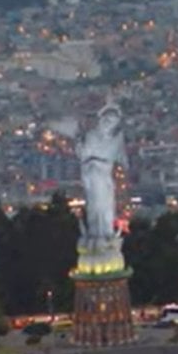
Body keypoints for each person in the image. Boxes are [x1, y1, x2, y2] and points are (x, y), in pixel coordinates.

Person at [77, 103, 125, 248]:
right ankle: (95, 233)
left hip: (105, 176)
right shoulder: (91, 136)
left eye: (112, 122)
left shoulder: (115, 140)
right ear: (101, 119)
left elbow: (121, 159)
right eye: (106, 119)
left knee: (107, 205)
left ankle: (106, 233)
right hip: (93, 174)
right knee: (95, 204)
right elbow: (83, 154)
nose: (108, 123)